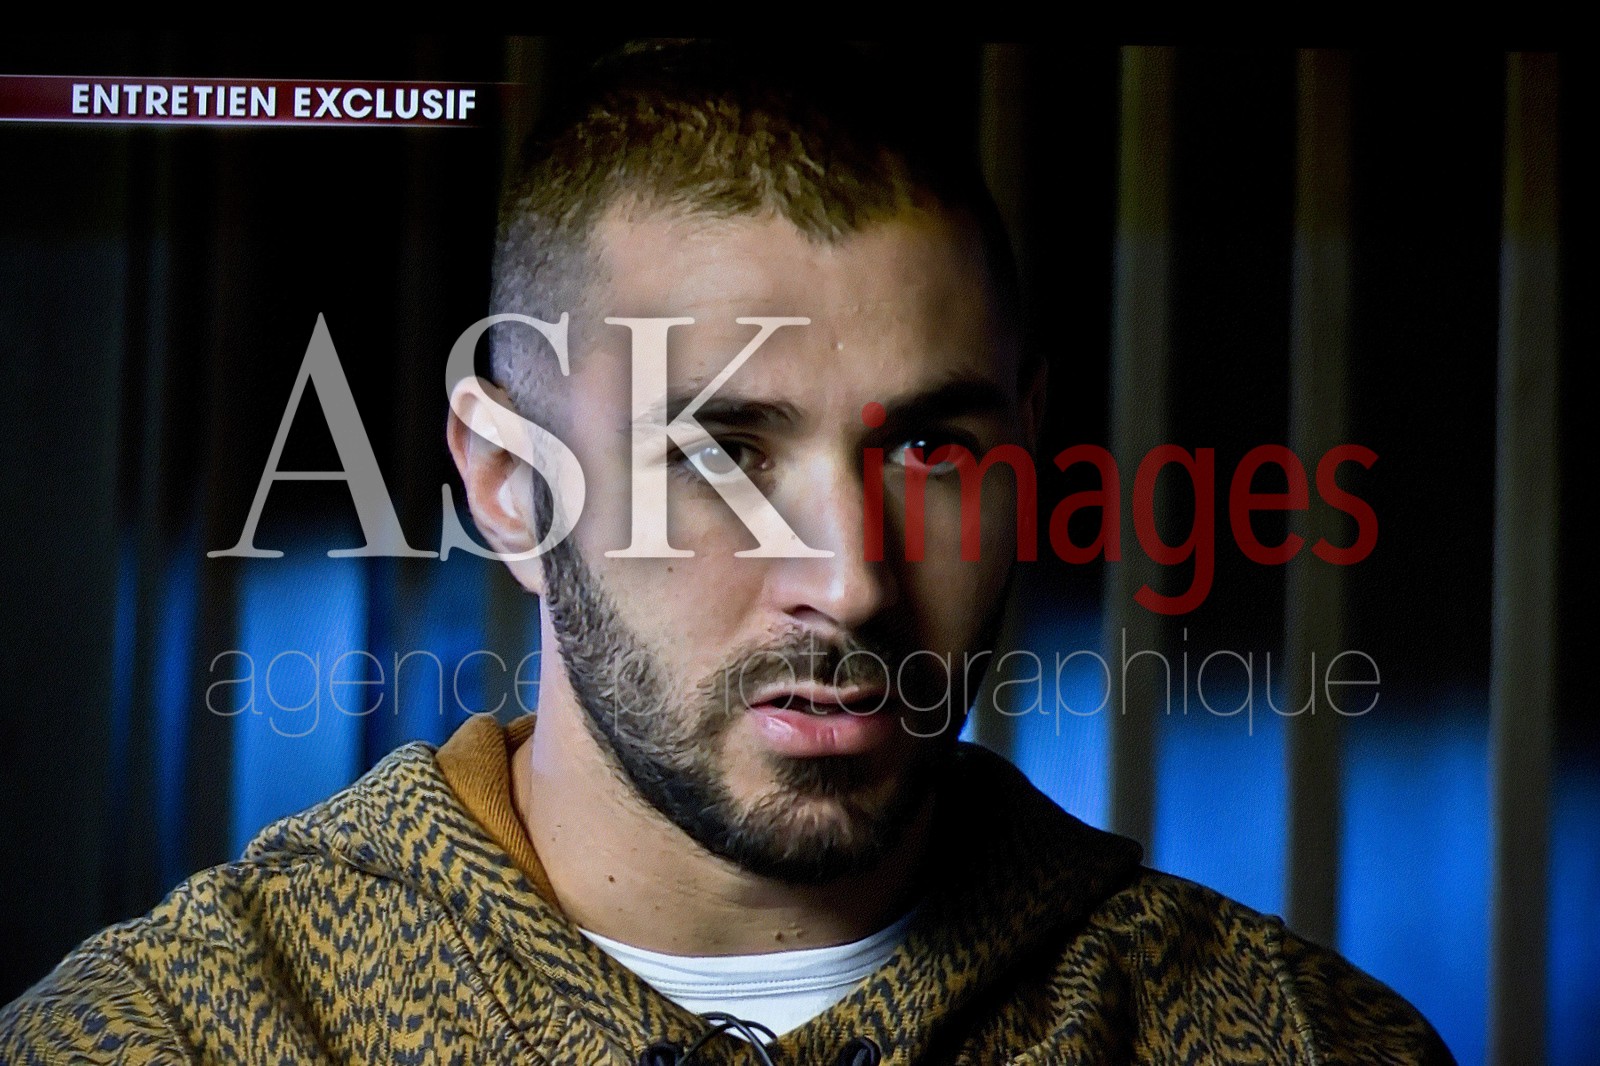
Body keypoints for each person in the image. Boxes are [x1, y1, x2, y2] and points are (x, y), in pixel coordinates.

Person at [0, 41, 1452, 1065]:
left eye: (930, 448)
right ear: (509, 484)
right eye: (721, 453)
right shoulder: (176, 1036)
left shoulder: (1294, 1040)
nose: (854, 580)